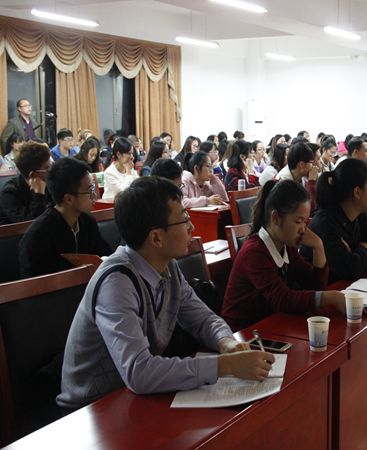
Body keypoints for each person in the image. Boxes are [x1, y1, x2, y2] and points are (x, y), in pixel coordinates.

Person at [57, 176, 274, 410]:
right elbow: (138, 371)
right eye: (184, 219)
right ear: (156, 237)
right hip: (92, 409)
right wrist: (225, 366)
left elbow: (203, 318)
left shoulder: (167, 266)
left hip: (135, 396)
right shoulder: (116, 283)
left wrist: (226, 342)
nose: (191, 227)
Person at [221, 180, 345, 331]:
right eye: (298, 221)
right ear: (275, 218)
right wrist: (331, 297)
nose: (303, 229)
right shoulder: (254, 252)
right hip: (241, 334)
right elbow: (283, 299)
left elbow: (315, 286)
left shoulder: (286, 245)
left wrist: (318, 247)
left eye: (305, 222)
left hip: (270, 326)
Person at [18, 158, 111, 278]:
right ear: (69, 199)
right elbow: (33, 283)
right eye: (90, 190)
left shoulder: (87, 222)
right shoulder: (38, 235)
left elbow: (106, 256)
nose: (94, 195)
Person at [301, 158, 367, 282]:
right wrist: (364, 249)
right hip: (326, 290)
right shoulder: (326, 224)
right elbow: (349, 270)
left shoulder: (359, 216)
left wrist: (355, 256)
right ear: (357, 192)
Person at [0, 140, 51, 224]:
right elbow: (27, 225)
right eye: (48, 168)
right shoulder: (9, 193)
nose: (52, 170)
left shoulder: (50, 183)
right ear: (33, 174)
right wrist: (39, 195)